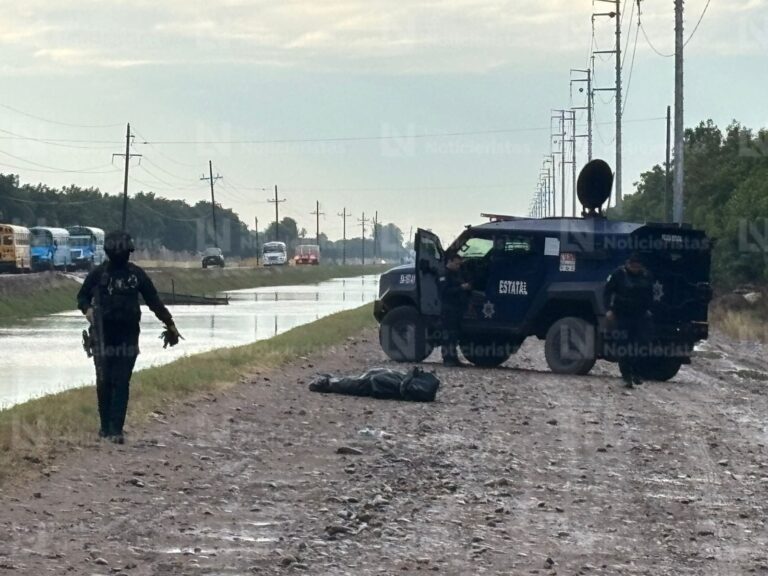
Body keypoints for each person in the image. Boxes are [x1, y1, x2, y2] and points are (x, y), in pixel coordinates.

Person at [77, 231, 181, 443]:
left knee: (121, 380)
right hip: (102, 335)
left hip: (128, 336)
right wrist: (87, 310)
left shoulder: (136, 275)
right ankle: (105, 428)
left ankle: (115, 429)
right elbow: (81, 296)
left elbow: (154, 301)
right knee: (104, 380)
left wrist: (169, 323)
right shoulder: (98, 275)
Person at [604, 252, 654, 388]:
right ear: (628, 264)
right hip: (623, 314)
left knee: (642, 344)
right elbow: (607, 292)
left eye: (638, 266)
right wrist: (608, 310)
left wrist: (649, 309)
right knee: (623, 345)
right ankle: (626, 375)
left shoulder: (646, 276)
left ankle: (636, 372)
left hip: (640, 314)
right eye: (633, 266)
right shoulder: (618, 274)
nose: (635, 268)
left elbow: (650, 294)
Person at [439, 254, 472, 367]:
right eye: (457, 263)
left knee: (454, 335)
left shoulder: (457, 273)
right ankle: (447, 359)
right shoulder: (444, 274)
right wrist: (461, 288)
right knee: (448, 335)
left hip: (456, 308)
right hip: (448, 308)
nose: (458, 266)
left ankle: (454, 358)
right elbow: (444, 292)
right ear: (450, 261)